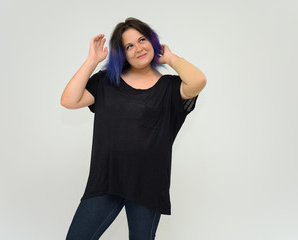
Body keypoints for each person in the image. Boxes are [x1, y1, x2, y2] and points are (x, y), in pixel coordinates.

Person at [60, 17, 207, 240]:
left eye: (142, 40)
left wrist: (170, 57)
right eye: (129, 46)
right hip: (106, 181)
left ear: (152, 42)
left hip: (148, 186)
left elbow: (198, 81)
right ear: (122, 53)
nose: (138, 48)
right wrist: (92, 60)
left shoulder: (170, 88)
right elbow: (69, 100)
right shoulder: (106, 83)